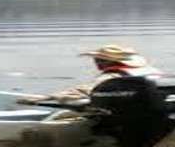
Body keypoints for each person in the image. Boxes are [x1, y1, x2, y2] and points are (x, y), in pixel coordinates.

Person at [18, 44, 162, 107]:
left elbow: (85, 90)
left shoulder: (112, 76)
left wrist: (45, 98)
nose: (95, 62)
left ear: (103, 61)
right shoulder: (151, 70)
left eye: (97, 59)